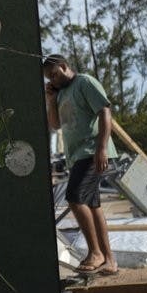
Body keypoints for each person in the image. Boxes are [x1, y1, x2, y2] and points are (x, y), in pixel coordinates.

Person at [43, 54, 119, 276]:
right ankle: (110, 261)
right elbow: (56, 125)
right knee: (92, 205)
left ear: (65, 66)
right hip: (77, 156)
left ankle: (96, 253)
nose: (53, 80)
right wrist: (50, 101)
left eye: (55, 74)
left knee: (74, 197)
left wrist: (102, 147)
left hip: (92, 151)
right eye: (49, 78)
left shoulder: (84, 82)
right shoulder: (60, 93)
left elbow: (104, 111)